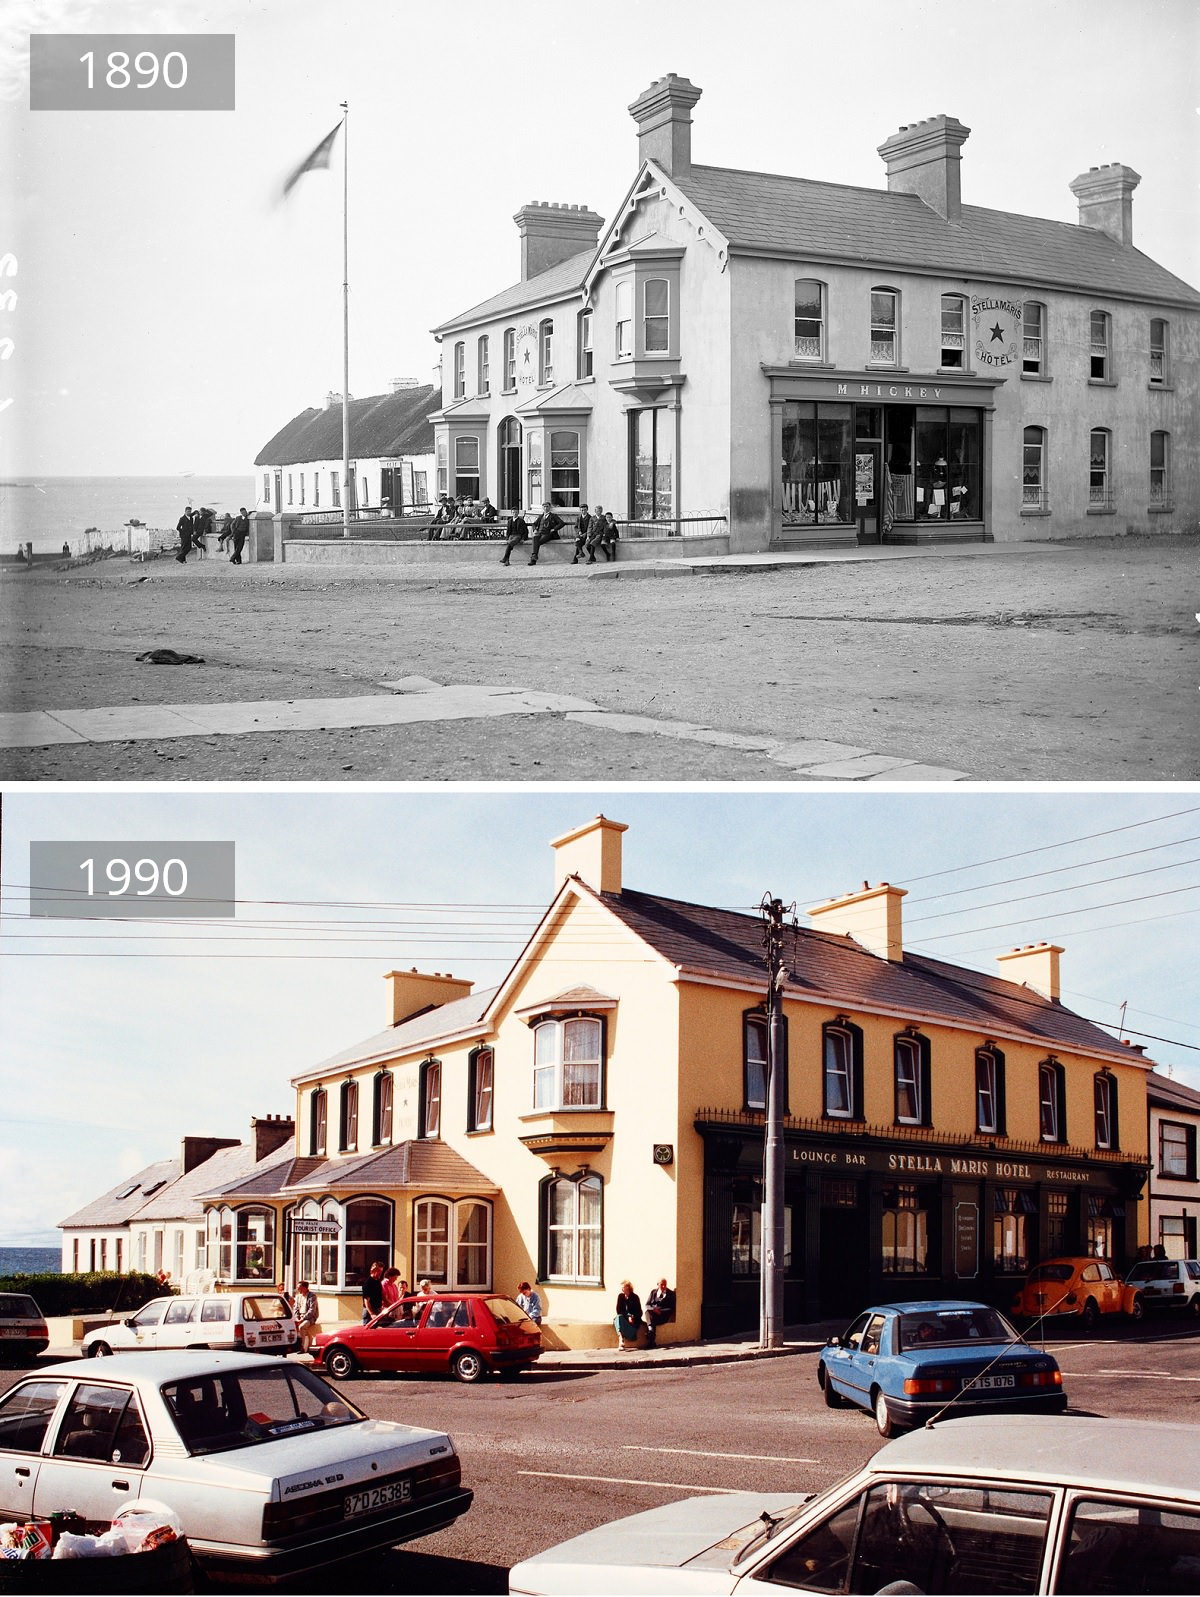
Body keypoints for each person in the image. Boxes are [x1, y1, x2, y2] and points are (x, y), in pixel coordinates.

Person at [644, 1279, 675, 1347]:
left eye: (665, 1284)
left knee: (650, 1319)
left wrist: (661, 1311)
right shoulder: (653, 1292)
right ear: (658, 1284)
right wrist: (654, 1309)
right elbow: (647, 1305)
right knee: (647, 1312)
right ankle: (652, 1337)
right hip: (653, 1315)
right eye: (662, 1285)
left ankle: (650, 1332)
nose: (663, 1286)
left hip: (662, 1316)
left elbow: (672, 1308)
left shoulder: (671, 1294)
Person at [614, 1280, 642, 1350]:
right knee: (618, 1317)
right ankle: (621, 1338)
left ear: (628, 1287)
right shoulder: (620, 1296)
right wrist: (628, 1316)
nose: (622, 1289)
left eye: (623, 1287)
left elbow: (639, 1312)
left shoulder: (635, 1297)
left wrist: (633, 1317)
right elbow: (619, 1310)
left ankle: (621, 1340)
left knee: (617, 1319)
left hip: (632, 1324)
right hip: (624, 1321)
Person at [293, 1280, 319, 1353]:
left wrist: (303, 1318)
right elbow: (295, 1308)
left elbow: (312, 1310)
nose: (298, 1289)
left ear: (305, 1288)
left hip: (310, 1318)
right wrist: (297, 1317)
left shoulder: (312, 1296)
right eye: (297, 1288)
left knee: (301, 1327)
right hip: (300, 1317)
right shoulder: (298, 1296)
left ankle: (302, 1348)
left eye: (299, 1288)